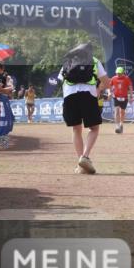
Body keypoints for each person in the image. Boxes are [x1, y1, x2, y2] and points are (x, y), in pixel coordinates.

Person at [57, 42, 109, 174]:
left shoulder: (68, 60)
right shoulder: (94, 60)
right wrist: (98, 89)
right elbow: (106, 82)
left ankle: (80, 165)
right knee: (94, 128)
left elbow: (61, 79)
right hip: (88, 95)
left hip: (69, 96)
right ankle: (85, 157)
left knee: (76, 129)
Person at [109, 67, 133, 134]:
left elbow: (130, 87)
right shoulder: (113, 78)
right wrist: (109, 92)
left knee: (122, 112)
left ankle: (121, 124)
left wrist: (131, 96)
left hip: (124, 97)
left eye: (119, 73)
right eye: (117, 73)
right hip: (116, 97)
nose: (118, 74)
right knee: (116, 111)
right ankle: (117, 126)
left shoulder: (127, 78)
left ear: (123, 73)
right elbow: (110, 86)